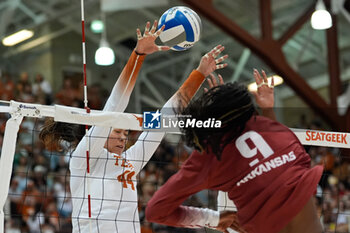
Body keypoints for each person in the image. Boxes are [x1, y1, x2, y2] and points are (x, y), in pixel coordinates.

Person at [39, 20, 228, 233]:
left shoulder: (131, 160)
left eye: (126, 133)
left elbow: (166, 116)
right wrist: (138, 54)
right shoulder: (85, 158)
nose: (123, 137)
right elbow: (115, 105)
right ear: (99, 133)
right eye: (117, 131)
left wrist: (199, 74)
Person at [146, 70, 324, 233]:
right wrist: (268, 110)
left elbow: (155, 211)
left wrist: (213, 219)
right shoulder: (270, 128)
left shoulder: (209, 154)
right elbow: (284, 152)